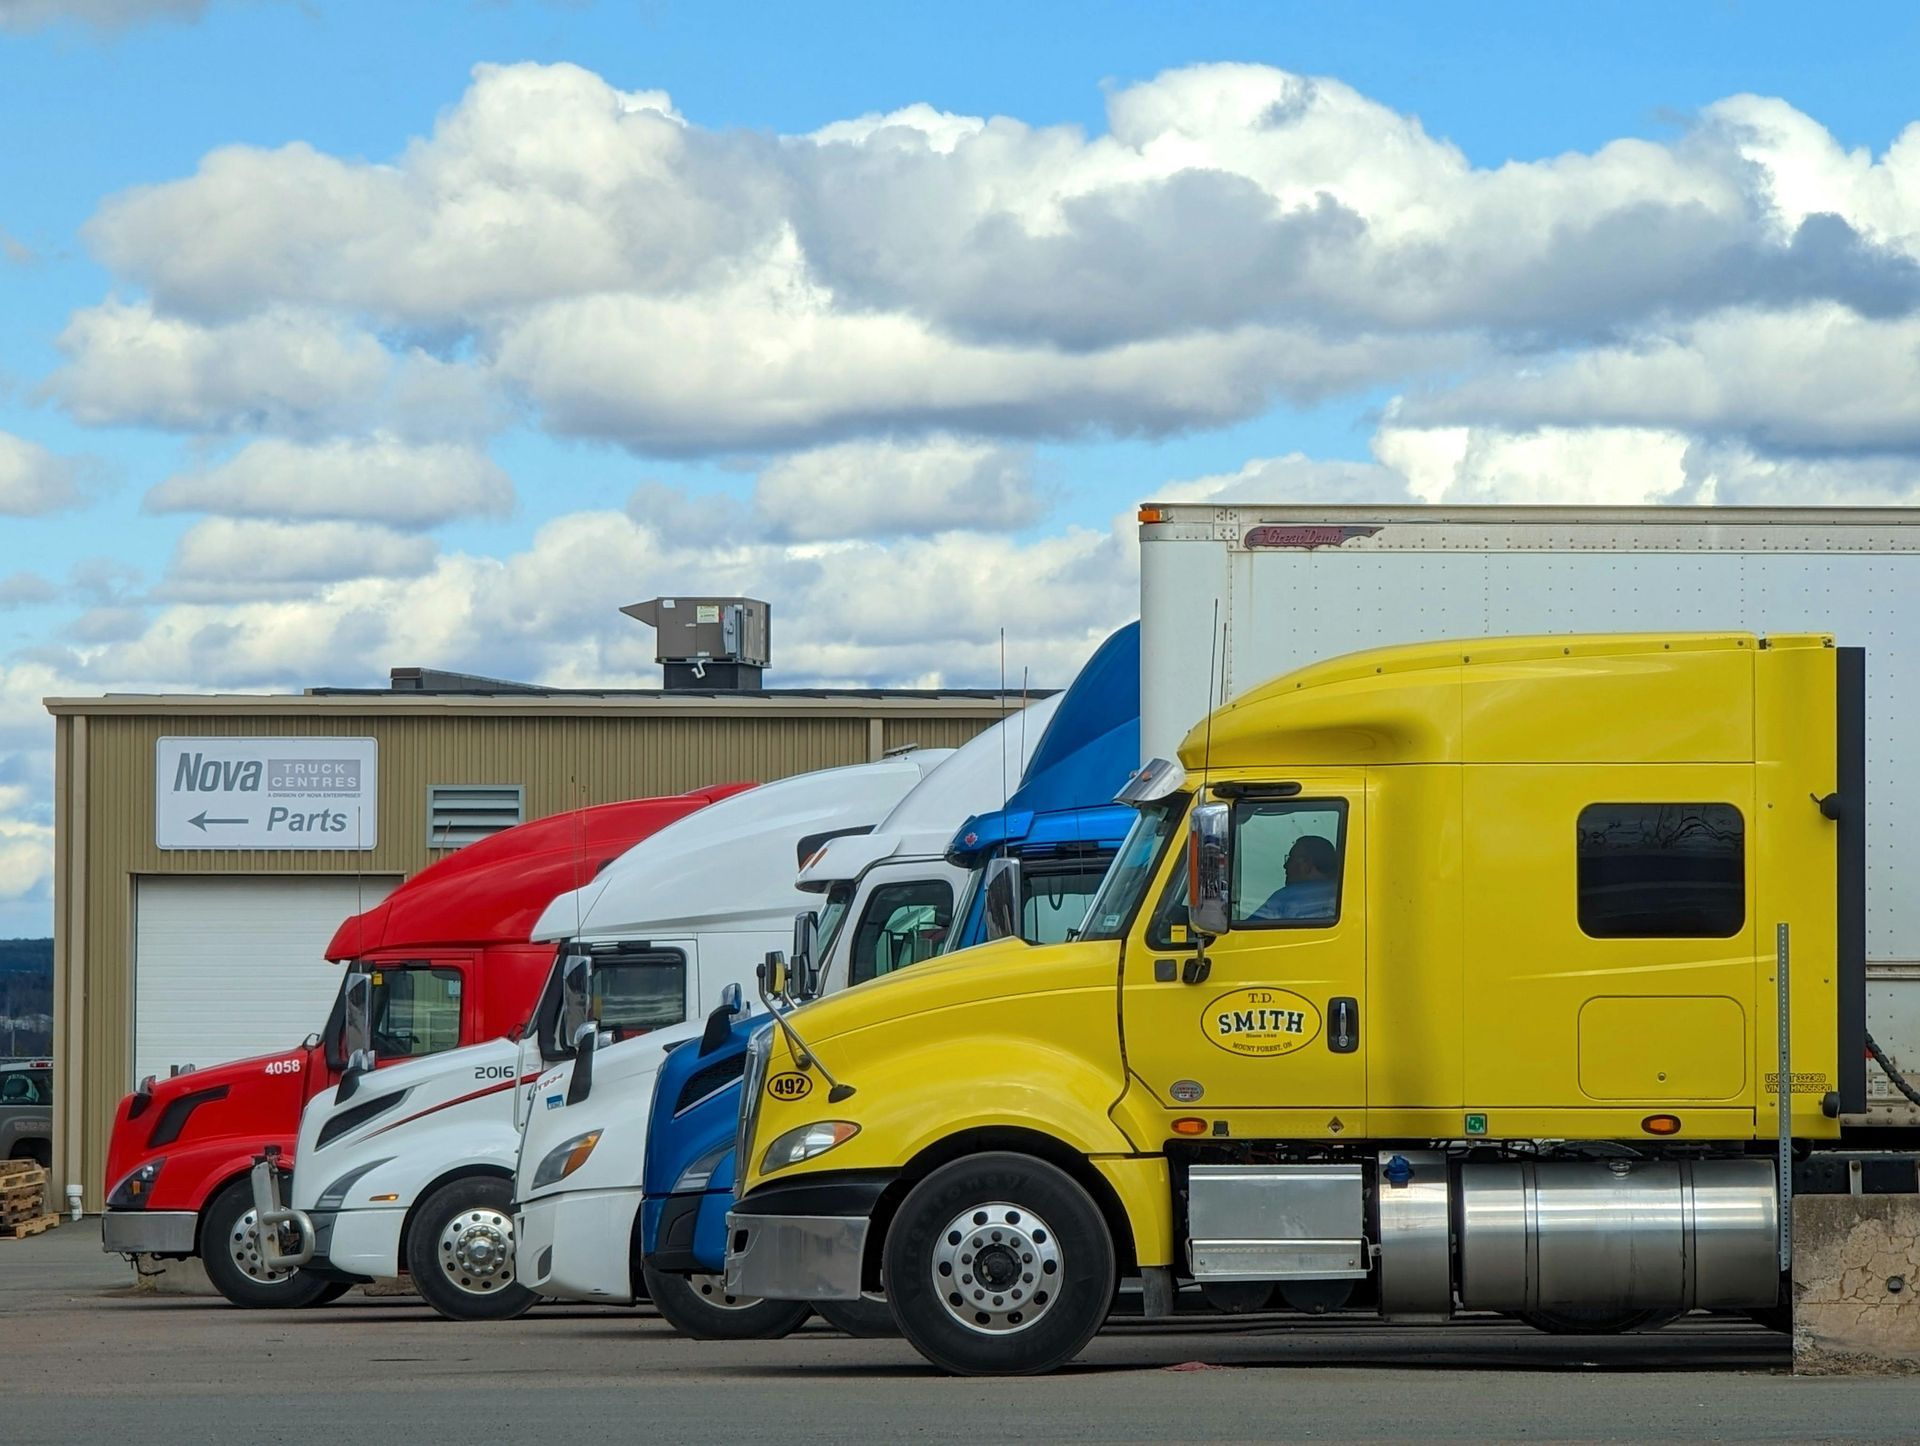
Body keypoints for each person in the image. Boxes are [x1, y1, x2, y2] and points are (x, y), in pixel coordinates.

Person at [1250, 834, 1338, 922]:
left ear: (1306, 864)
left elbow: (1248, 932)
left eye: (1290, 859)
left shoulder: (1288, 896)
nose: (1285, 865)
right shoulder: (1340, 894)